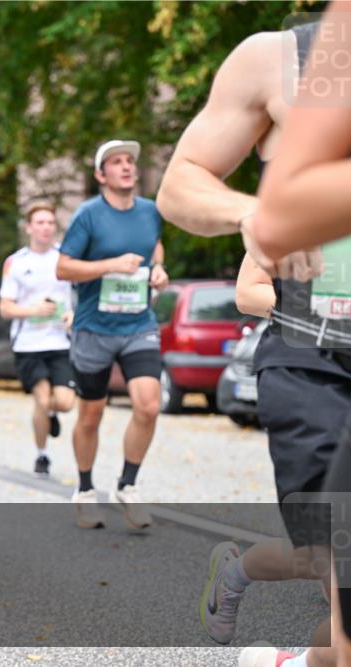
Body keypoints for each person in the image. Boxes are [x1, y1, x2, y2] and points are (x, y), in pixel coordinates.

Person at [155, 19, 345, 667]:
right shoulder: (279, 60)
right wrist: (256, 217)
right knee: (336, 558)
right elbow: (180, 183)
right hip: (313, 354)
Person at [246, 6, 351, 665]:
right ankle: (240, 569)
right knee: (325, 556)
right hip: (308, 362)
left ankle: (291, 660)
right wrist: (314, 307)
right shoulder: (298, 193)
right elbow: (245, 288)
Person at [56, 139, 168, 530]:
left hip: (138, 324)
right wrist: (110, 266)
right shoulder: (88, 215)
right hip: (94, 329)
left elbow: (155, 248)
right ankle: (85, 490)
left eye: (130, 161)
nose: (126, 167)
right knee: (91, 414)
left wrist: (158, 272)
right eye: (116, 162)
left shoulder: (151, 211)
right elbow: (64, 268)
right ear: (101, 174)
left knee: (148, 405)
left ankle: (127, 485)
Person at [0, 200, 75, 477]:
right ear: (29, 228)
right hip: (29, 343)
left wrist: (72, 314)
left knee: (65, 402)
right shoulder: (16, 263)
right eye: (40, 223)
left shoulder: (65, 259)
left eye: (50, 223)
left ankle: (52, 415)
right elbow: (5, 307)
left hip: (60, 342)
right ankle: (42, 455)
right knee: (41, 399)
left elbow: (80, 294)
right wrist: (33, 310)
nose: (46, 228)